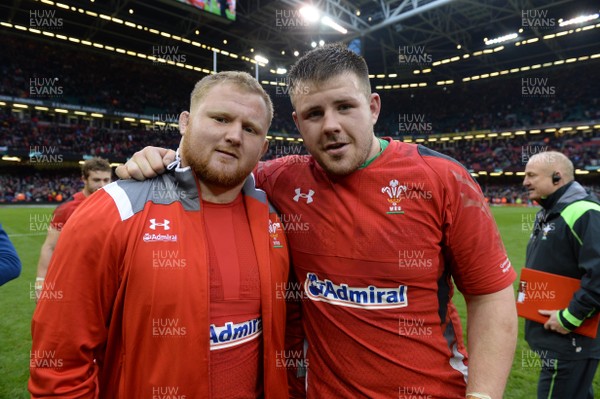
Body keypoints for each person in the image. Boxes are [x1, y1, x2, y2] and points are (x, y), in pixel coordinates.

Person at [117, 44, 518, 399]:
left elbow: (489, 294)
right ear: (297, 122)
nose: (330, 125)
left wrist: (482, 394)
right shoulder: (280, 180)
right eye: (314, 113)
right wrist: (166, 156)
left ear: (373, 107)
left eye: (345, 107)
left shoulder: (441, 178)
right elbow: (215, 165)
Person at [30, 71, 290, 398]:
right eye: (221, 119)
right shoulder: (114, 208)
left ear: (264, 147)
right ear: (185, 122)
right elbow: (59, 364)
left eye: (250, 129)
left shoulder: (273, 217)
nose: (234, 136)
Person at [522, 151, 600, 399]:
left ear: (557, 177)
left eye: (531, 175)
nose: (524, 182)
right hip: (557, 339)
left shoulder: (585, 212)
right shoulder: (549, 211)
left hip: (569, 341)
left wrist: (569, 318)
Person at [34, 157, 112, 300]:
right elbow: (50, 246)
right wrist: (40, 283)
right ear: (84, 179)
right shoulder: (66, 209)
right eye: (96, 180)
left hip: (107, 281)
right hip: (75, 281)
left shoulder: (116, 206)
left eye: (106, 180)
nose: (102, 185)